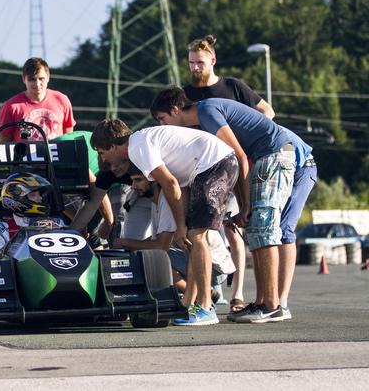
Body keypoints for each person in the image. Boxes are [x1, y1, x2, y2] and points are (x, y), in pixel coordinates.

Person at [150, 87, 316, 323]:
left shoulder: (206, 110)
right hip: (264, 157)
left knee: (265, 229)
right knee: (256, 230)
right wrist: (243, 204)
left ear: (176, 109)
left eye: (162, 119)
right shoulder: (202, 122)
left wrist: (246, 203)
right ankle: (262, 302)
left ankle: (272, 304)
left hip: (275, 153)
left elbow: (238, 155)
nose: (162, 126)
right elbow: (235, 164)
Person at [91, 119, 238, 326]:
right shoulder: (141, 144)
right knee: (191, 237)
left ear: (113, 146)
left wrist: (179, 226)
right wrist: (182, 226)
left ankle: (205, 307)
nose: (102, 158)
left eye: (101, 152)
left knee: (196, 236)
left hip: (215, 163)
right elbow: (181, 185)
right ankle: (188, 303)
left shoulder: (137, 147)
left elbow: (169, 183)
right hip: (207, 166)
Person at [184, 34, 275, 312]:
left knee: (232, 227)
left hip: (235, 164)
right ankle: (206, 288)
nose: (195, 68)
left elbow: (267, 111)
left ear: (212, 60)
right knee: (200, 228)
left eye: (200, 62)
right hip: (201, 168)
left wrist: (245, 137)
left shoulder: (232, 86)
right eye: (191, 63)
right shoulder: (186, 94)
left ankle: (237, 293)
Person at [0, 172, 66, 255]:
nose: (40, 198)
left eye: (40, 194)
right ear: (17, 198)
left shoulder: (56, 223)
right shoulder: (0, 228)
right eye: (33, 195)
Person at [0, 57, 75, 142]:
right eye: (32, 79)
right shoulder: (11, 106)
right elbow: (4, 146)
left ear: (48, 77)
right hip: (25, 155)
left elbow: (68, 139)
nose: (37, 84)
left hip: (57, 155)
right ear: (24, 79)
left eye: (41, 78)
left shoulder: (62, 100)